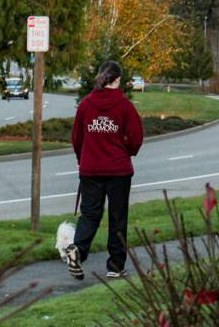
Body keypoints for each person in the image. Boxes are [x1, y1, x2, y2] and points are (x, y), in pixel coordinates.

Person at [65, 60, 143, 280]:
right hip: (118, 170)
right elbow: (136, 137)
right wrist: (127, 150)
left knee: (90, 213)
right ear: (117, 80)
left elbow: (77, 138)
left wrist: (84, 158)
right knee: (118, 216)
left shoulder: (86, 105)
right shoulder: (124, 105)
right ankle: (115, 265)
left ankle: (78, 249)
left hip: (91, 169)